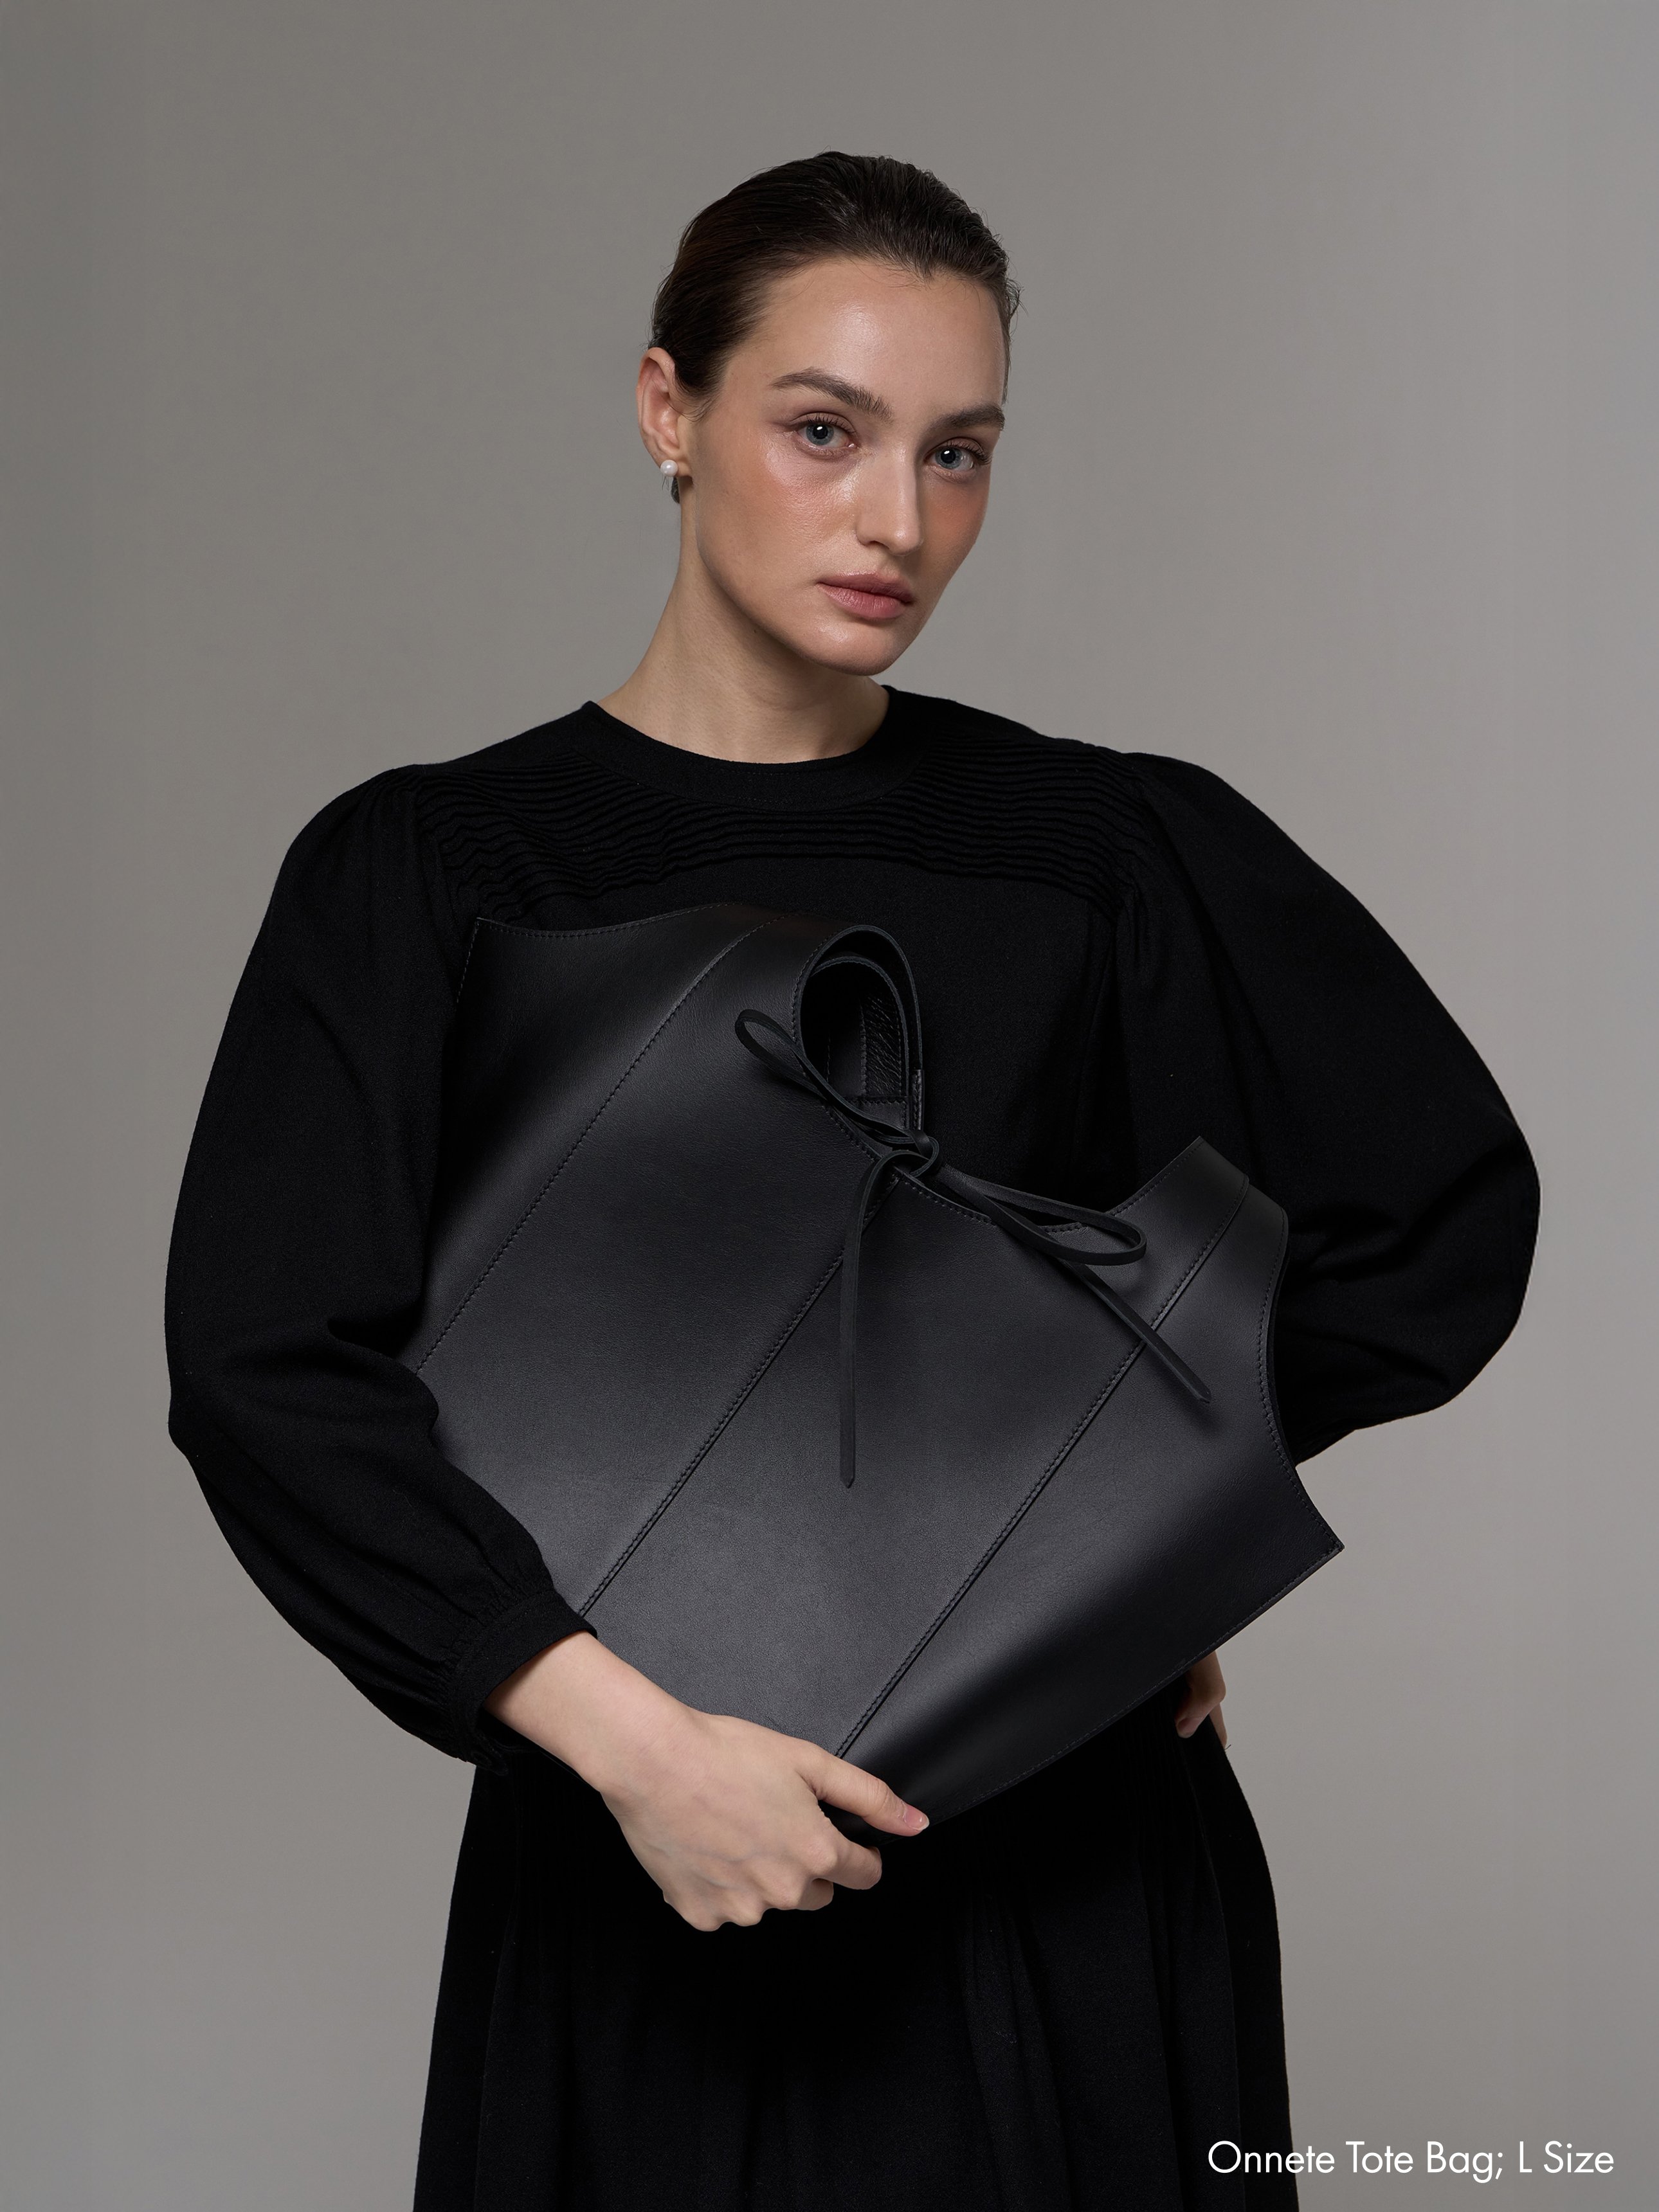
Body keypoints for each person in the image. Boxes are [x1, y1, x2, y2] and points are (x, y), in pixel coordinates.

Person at [165, 152, 1539, 2211]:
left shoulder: (1094, 849)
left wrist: (1128, 1537)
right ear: (668, 408)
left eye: (957, 452)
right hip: (652, 1864)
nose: (900, 519)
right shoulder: (438, 869)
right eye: (825, 430)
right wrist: (639, 1751)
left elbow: (1431, 1214)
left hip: (1060, 1866)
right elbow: (269, 1366)